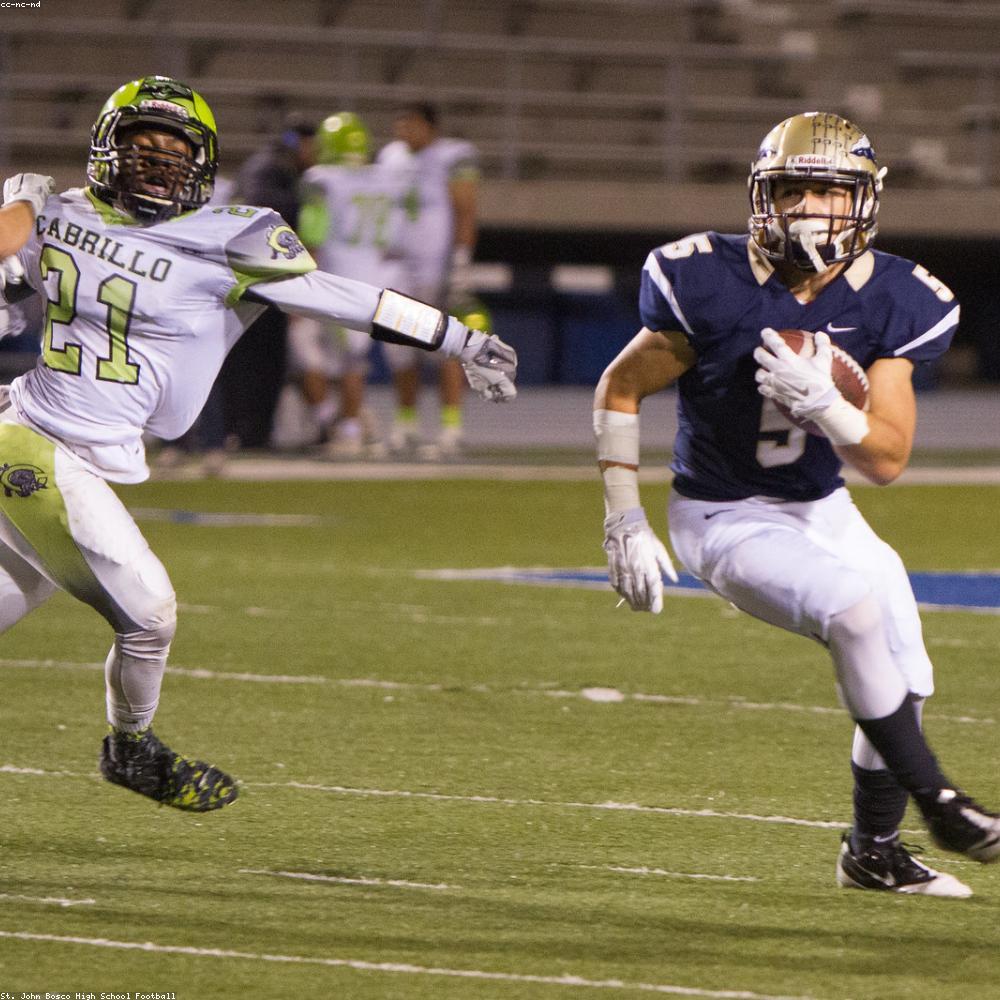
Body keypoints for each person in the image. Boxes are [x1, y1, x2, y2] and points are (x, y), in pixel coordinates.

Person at [0, 76, 516, 813]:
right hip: (29, 439)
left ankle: (130, 747)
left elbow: (346, 297)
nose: (156, 163)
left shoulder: (231, 234)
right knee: (147, 612)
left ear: (203, 163)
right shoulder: (55, 212)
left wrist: (456, 336)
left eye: (173, 151)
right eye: (142, 147)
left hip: (82, 457)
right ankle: (132, 748)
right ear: (106, 150)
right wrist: (16, 231)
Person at [594, 111, 1000, 897]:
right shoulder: (704, 279)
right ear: (761, 197)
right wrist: (623, 514)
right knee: (851, 611)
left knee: (908, 676)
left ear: (864, 202)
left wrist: (829, 406)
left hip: (823, 505)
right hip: (722, 513)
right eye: (792, 189)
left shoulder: (897, 297)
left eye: (828, 190)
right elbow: (621, 385)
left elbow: (883, 459)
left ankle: (872, 853)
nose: (810, 208)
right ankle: (944, 806)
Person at [291, 110, 412, 458]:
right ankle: (343, 423)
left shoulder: (322, 179)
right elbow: (394, 236)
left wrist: (298, 281)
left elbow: (312, 233)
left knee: (336, 360)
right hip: (374, 278)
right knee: (343, 360)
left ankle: (348, 430)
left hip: (332, 278)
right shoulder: (385, 180)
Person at [377, 103, 480, 459]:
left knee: (444, 347)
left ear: (430, 126)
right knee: (398, 348)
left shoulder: (453, 156)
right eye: (399, 123)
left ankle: (452, 428)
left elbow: (465, 208)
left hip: (435, 267)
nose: (403, 132)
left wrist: (462, 259)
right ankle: (406, 425)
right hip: (396, 266)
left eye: (411, 124)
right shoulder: (390, 156)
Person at [219, 116, 317, 450]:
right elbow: (267, 216)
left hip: (243, 275)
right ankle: (250, 432)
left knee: (245, 358)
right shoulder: (274, 171)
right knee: (262, 361)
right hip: (260, 276)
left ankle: (240, 430)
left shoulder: (265, 166)